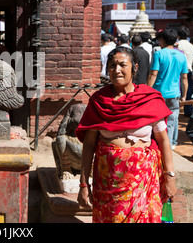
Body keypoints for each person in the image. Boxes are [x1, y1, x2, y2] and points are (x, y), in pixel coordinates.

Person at [76, 46, 177, 223]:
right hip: (108, 187)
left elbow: (163, 141)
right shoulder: (99, 102)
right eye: (112, 65)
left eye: (122, 64)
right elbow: (89, 145)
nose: (117, 70)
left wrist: (169, 177)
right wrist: (84, 184)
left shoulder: (149, 99)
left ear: (134, 67)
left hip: (143, 184)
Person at [147, 29, 188, 149]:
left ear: (163, 40)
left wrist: (147, 90)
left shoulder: (159, 54)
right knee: (171, 123)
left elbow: (153, 74)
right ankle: (168, 149)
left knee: (155, 123)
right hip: (175, 94)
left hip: (158, 93)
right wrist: (184, 95)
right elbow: (184, 78)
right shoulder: (181, 55)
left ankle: (156, 148)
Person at [177, 26, 193, 117]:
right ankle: (188, 110)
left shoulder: (177, 45)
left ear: (178, 35)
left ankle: (176, 108)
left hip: (180, 70)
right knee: (188, 91)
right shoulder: (191, 45)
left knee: (179, 90)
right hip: (189, 69)